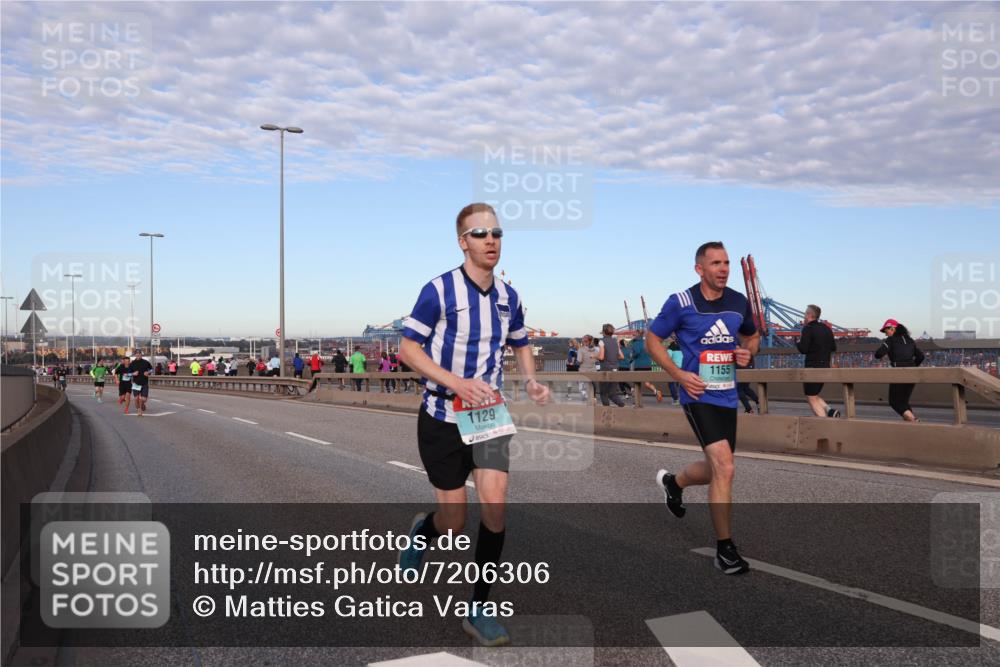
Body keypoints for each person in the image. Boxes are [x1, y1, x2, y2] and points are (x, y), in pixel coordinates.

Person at [397, 202, 550, 647]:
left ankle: (478, 608)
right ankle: (424, 530)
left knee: (496, 507)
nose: (491, 241)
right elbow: (409, 349)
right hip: (442, 415)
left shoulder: (509, 297)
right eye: (480, 234)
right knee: (454, 520)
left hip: (487, 415)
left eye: (496, 233)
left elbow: (520, 342)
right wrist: (456, 380)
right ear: (463, 241)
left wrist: (531, 380)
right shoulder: (439, 290)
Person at [646, 241, 760, 575]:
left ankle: (674, 484)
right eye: (715, 264)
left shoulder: (739, 301)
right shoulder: (680, 302)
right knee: (725, 468)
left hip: (727, 395)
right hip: (698, 396)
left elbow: (751, 337)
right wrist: (679, 374)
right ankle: (725, 549)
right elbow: (652, 341)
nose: (723, 269)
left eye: (726, 263)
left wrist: (747, 351)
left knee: (716, 469)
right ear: (700, 269)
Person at [874, 319, 925, 422]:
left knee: (894, 402)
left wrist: (886, 345)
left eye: (886, 330)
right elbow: (921, 356)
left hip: (898, 373)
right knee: (904, 402)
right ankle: (912, 426)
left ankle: (914, 420)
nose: (885, 333)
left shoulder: (891, 340)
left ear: (892, 328)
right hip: (912, 373)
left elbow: (878, 354)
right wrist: (913, 366)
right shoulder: (910, 340)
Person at [797, 304, 840, 418]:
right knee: (814, 394)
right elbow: (833, 347)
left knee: (810, 396)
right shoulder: (827, 328)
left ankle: (824, 423)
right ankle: (829, 410)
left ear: (810, 315)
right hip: (825, 365)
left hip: (812, 367)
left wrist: (797, 342)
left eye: (805, 313)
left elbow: (803, 349)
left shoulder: (808, 328)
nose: (804, 316)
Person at [597, 323, 626, 408]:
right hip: (615, 368)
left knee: (603, 393)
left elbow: (601, 357)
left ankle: (606, 411)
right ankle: (622, 406)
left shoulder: (602, 341)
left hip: (605, 369)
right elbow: (622, 356)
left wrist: (595, 356)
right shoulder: (615, 341)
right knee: (613, 394)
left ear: (603, 332)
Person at [630, 334, 664, 403]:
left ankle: (637, 401)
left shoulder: (635, 343)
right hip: (648, 365)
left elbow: (636, 352)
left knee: (636, 383)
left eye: (633, 335)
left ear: (636, 336)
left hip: (639, 365)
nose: (632, 336)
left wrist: (632, 356)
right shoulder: (647, 343)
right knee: (647, 383)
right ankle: (656, 391)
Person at [127, 349, 154, 417]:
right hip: (136, 383)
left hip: (144, 383)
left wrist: (148, 372)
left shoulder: (146, 362)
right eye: (136, 353)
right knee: (136, 399)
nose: (138, 354)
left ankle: (142, 404)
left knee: (143, 399)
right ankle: (139, 410)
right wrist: (133, 373)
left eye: (139, 353)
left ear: (141, 354)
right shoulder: (132, 363)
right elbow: (128, 374)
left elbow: (152, 369)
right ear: (135, 355)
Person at [577, 335, 598, 402]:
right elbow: (597, 360)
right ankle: (593, 398)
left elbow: (579, 361)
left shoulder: (581, 350)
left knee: (582, 388)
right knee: (591, 386)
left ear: (584, 341)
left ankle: (586, 399)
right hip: (593, 371)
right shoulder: (595, 350)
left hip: (583, 371)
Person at [667, 339, 683, 405]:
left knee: (671, 384)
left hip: (674, 368)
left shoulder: (671, 347)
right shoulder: (684, 346)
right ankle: (681, 399)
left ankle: (676, 399)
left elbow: (668, 357)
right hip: (684, 367)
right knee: (681, 384)